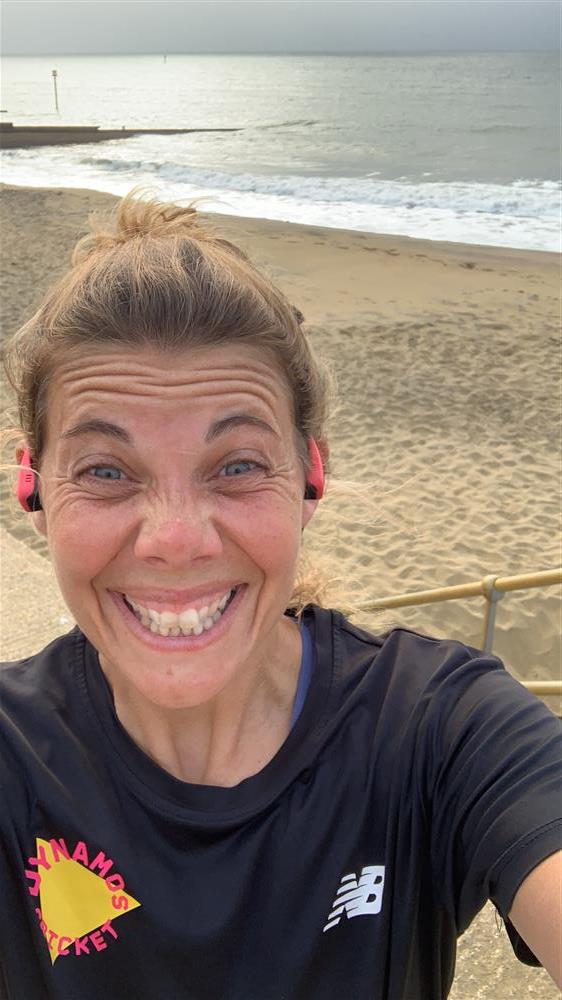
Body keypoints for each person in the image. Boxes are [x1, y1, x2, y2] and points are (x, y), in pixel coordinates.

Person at [0, 193, 560, 1000]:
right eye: (105, 471)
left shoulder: (441, 730)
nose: (175, 538)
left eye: (235, 466)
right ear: (33, 488)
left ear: (310, 476)